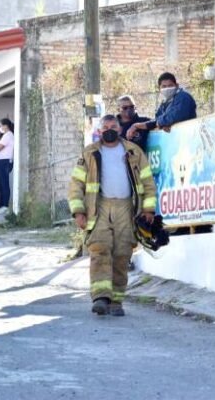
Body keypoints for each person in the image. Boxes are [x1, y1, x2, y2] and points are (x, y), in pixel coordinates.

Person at [68, 114, 157, 316]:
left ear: (120, 129)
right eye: (105, 126)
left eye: (113, 126)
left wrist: (148, 209)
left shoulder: (134, 151)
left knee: (122, 253)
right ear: (99, 131)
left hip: (127, 209)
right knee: (100, 249)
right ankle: (100, 297)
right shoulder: (90, 153)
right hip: (98, 208)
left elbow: (148, 182)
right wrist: (78, 211)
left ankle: (116, 300)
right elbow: (76, 184)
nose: (109, 130)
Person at [127, 72, 196, 139]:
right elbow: (157, 120)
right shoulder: (165, 103)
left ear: (176, 85)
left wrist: (161, 123)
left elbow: (174, 116)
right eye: (164, 86)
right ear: (159, 88)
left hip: (189, 137)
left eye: (170, 85)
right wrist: (136, 125)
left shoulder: (183, 97)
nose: (167, 89)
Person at [0, 118, 14, 214]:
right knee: (1, 184)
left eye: (1, 125)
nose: (0, 128)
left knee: (4, 184)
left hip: (4, 161)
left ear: (5, 126)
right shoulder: (5, 135)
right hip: (1, 161)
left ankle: (5, 205)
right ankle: (1, 205)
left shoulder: (8, 135)